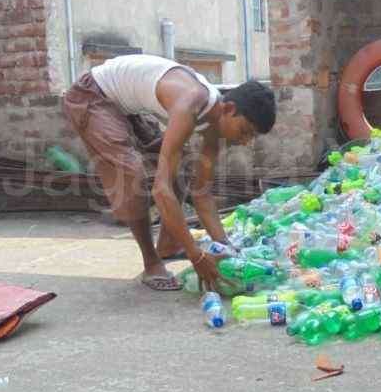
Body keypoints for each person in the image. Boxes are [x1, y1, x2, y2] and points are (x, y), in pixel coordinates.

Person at [62, 54, 275, 291]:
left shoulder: (215, 126)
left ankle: (168, 246)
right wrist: (197, 256)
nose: (245, 141)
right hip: (91, 95)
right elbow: (161, 190)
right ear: (229, 109)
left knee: (181, 166)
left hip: (126, 105)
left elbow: (201, 194)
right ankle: (151, 262)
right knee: (132, 174)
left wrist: (226, 247)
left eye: (251, 137)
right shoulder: (190, 104)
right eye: (245, 131)